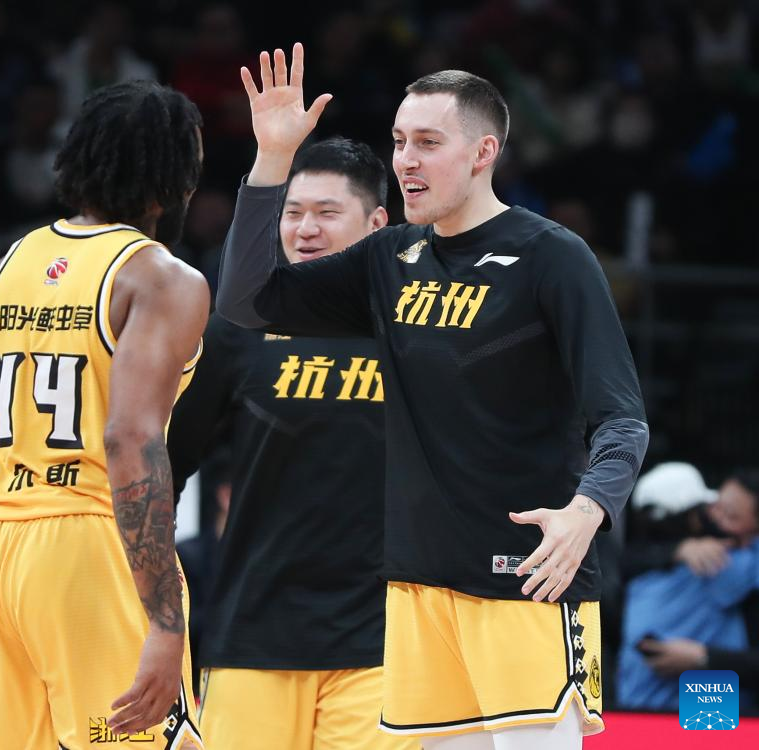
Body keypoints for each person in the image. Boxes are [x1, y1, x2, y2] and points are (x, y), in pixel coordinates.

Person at [216, 44, 648, 749]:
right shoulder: (390, 257)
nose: (405, 161)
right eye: (398, 142)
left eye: (426, 142)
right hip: (419, 589)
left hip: (526, 580)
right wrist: (271, 159)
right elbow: (245, 302)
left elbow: (621, 418)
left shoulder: (551, 256)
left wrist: (587, 511)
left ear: (483, 152)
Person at [0, 80, 209, 749]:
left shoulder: (2, 271)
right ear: (170, 181)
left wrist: (19, 534)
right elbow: (130, 437)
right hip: (92, 544)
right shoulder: (160, 277)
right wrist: (165, 619)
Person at [169, 137, 419, 749]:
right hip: (250, 637)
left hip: (385, 641)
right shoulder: (237, 327)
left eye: (327, 213)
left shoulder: (420, 330)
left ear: (377, 224)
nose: (306, 229)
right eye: (293, 212)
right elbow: (162, 465)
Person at [618, 469, 759, 712]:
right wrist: (678, 550)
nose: (713, 515)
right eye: (714, 506)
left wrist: (705, 658)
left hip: (672, 709)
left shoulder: (724, 564)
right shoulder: (719, 565)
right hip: (663, 709)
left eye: (731, 515)